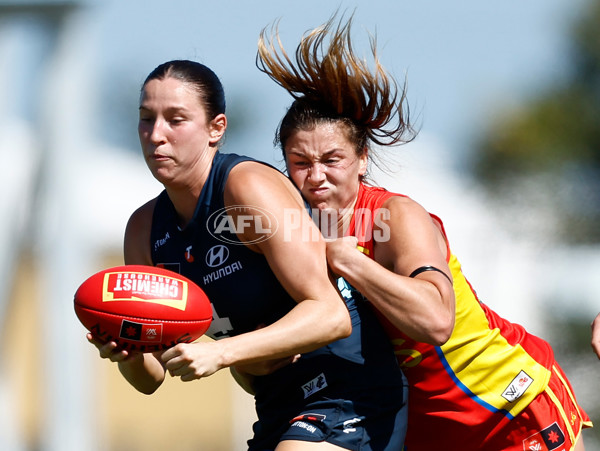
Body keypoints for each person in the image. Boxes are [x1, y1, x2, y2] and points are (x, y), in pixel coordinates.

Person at [256, 13, 593, 450]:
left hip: (507, 407)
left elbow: (435, 320)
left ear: (362, 159)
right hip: (428, 431)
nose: (316, 176)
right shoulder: (294, 234)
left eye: (332, 159)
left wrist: (349, 260)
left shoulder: (396, 216)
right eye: (301, 163)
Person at [86, 59, 409, 450]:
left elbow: (331, 315)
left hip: (350, 388)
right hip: (277, 405)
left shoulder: (245, 189)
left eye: (176, 120)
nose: (156, 135)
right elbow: (152, 378)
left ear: (216, 129)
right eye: (145, 118)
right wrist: (127, 350)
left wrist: (223, 352)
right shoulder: (143, 229)